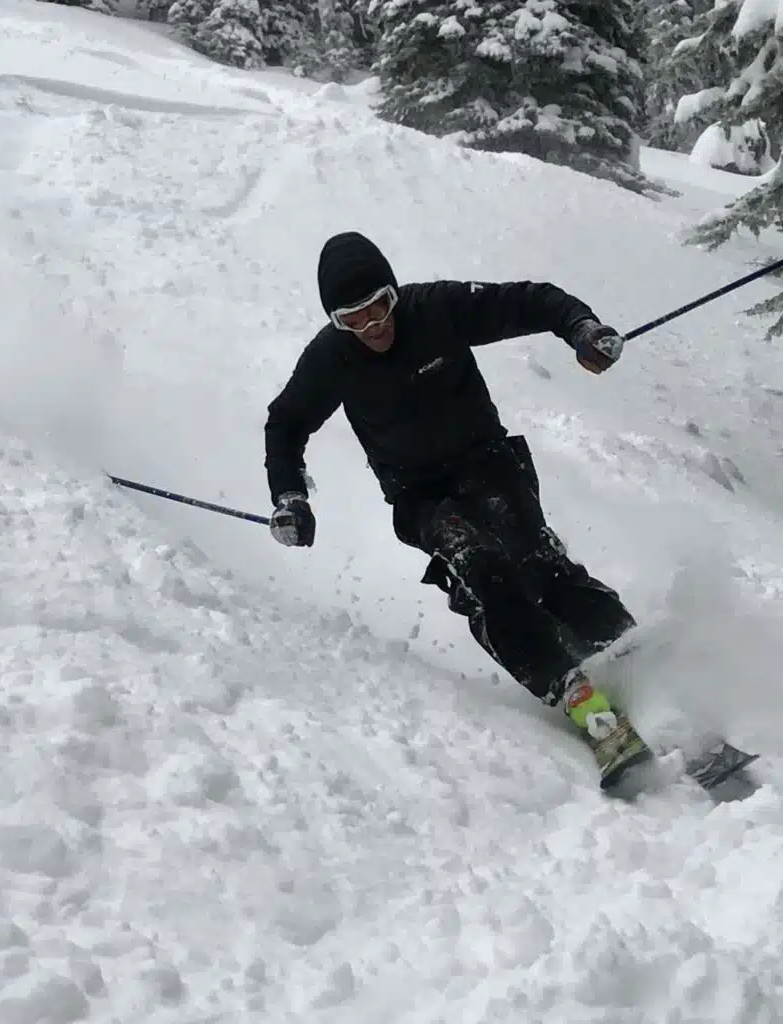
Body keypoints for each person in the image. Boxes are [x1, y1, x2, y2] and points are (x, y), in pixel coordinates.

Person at [264, 232, 649, 785]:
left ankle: (633, 654)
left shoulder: (436, 309)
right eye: (353, 319)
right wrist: (289, 497)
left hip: (490, 464)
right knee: (483, 572)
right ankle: (575, 694)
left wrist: (581, 329)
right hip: (422, 497)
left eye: (380, 306)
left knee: (536, 562)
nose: (372, 326)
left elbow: (531, 300)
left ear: (395, 293)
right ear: (336, 322)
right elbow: (285, 424)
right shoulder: (331, 358)